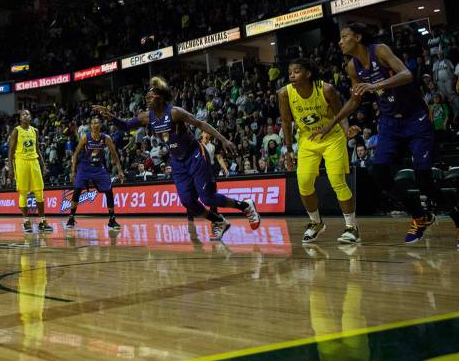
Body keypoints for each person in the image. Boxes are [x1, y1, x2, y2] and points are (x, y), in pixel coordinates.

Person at [314, 23, 459, 248]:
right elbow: (355, 98)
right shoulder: (352, 67)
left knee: (424, 179)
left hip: (415, 118)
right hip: (390, 123)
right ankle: (420, 216)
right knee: (378, 172)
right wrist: (332, 123)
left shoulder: (379, 50)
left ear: (358, 37)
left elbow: (406, 74)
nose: (340, 42)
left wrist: (375, 84)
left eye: (344, 37)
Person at [97, 77, 261, 241]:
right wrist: (111, 117)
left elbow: (200, 124)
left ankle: (245, 206)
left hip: (194, 155)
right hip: (177, 162)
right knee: (188, 202)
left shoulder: (175, 112)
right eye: (146, 98)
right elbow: (126, 126)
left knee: (207, 198)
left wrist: (224, 140)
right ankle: (218, 221)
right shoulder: (147, 117)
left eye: (150, 97)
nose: (146, 100)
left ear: (160, 98)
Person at [279, 58, 360, 244]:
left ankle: (351, 227)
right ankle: (316, 223)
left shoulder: (326, 89)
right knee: (304, 182)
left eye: (297, 71)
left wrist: (347, 131)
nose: (292, 74)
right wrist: (289, 149)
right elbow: (285, 121)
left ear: (308, 74)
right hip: (307, 139)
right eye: (290, 71)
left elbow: (340, 114)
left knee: (337, 180)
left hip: (332, 137)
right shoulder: (284, 93)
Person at [63, 116, 125, 230]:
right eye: (92, 123)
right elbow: (76, 154)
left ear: (100, 125)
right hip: (84, 167)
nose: (94, 125)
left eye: (96, 123)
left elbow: (114, 154)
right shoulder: (85, 138)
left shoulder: (106, 138)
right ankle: (71, 217)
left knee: (109, 190)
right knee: (77, 190)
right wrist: (73, 171)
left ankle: (112, 219)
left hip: (98, 168)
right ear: (90, 126)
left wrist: (120, 171)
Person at [8, 109, 53, 233]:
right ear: (20, 118)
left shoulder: (35, 131)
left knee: (39, 192)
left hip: (34, 162)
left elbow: (37, 149)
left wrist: (43, 164)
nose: (25, 115)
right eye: (23, 114)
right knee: (23, 192)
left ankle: (43, 221)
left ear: (31, 117)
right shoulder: (16, 131)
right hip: (21, 162)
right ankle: (26, 221)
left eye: (27, 114)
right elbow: (11, 151)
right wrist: (11, 168)